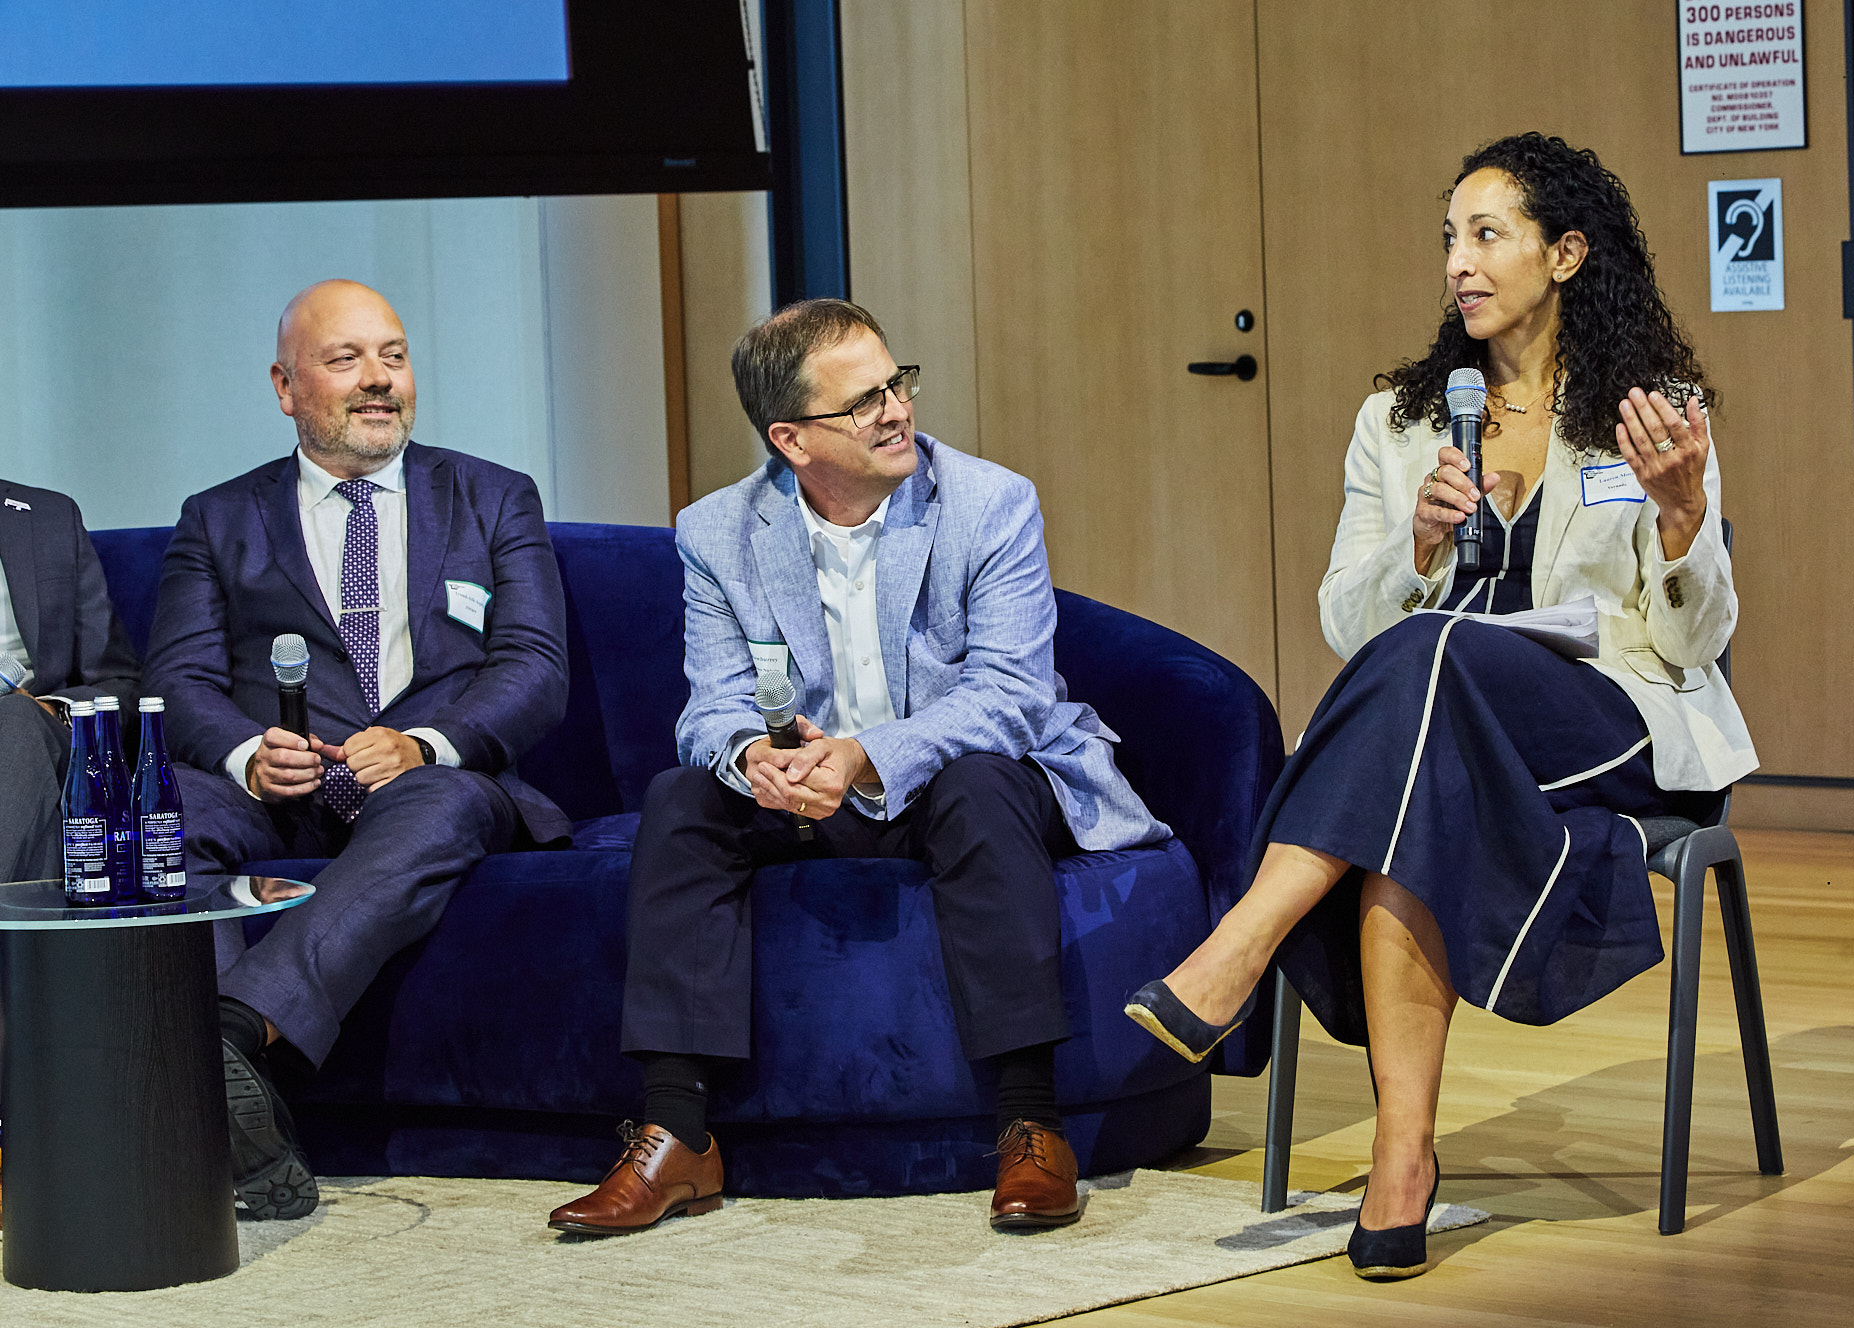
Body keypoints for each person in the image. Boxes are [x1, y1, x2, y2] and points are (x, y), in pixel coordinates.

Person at [1125, 133, 1757, 1280]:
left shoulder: (1650, 413)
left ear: (1565, 253)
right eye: (1448, 239)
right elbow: (1344, 620)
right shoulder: (1401, 419)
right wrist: (1415, 547)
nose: (1458, 263)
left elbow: (1689, 642)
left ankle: (1238, 944)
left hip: (1605, 717)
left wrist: (1678, 520)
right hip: (1436, 729)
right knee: (1416, 738)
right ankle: (1399, 1164)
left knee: (1428, 663)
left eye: (1486, 235)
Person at [547, 299, 1167, 1236]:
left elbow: (1011, 694)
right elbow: (710, 704)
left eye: (896, 383)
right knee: (684, 800)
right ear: (791, 439)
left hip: (964, 768)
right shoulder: (718, 532)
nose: (897, 410)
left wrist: (869, 755)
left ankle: (1032, 1125)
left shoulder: (989, 502)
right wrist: (753, 757)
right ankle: (677, 1135)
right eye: (864, 401)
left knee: (981, 784)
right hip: (812, 788)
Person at [145, 280, 570, 1221]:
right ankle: (238, 1112)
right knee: (167, 811)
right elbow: (176, 679)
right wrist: (248, 754)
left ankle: (225, 1036)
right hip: (274, 795)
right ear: (285, 386)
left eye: (394, 355)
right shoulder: (218, 516)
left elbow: (536, 666)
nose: (379, 379)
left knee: (441, 802)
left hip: (431, 783)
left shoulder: (493, 495)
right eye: (346, 360)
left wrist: (426, 743)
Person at [0, 479, 141, 882]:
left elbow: (118, 681)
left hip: (28, 728)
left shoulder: (49, 518)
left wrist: (55, 711)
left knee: (16, 721)